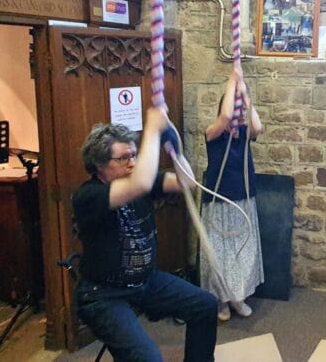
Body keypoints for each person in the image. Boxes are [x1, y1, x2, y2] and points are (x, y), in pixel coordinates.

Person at [72, 118, 217, 362]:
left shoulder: (141, 183)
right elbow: (140, 183)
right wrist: (152, 126)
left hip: (145, 282)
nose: (133, 163)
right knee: (147, 358)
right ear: (98, 164)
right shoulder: (89, 195)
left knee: (205, 306)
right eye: (123, 158)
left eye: (135, 155)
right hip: (103, 294)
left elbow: (188, 183)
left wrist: (176, 149)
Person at [200, 70, 265, 321]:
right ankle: (220, 301)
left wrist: (244, 95)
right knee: (219, 254)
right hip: (219, 202)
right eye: (234, 113)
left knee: (242, 252)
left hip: (243, 200)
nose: (236, 118)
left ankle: (237, 296)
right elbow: (226, 115)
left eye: (240, 115)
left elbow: (257, 125)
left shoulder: (245, 136)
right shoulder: (213, 133)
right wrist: (232, 80)